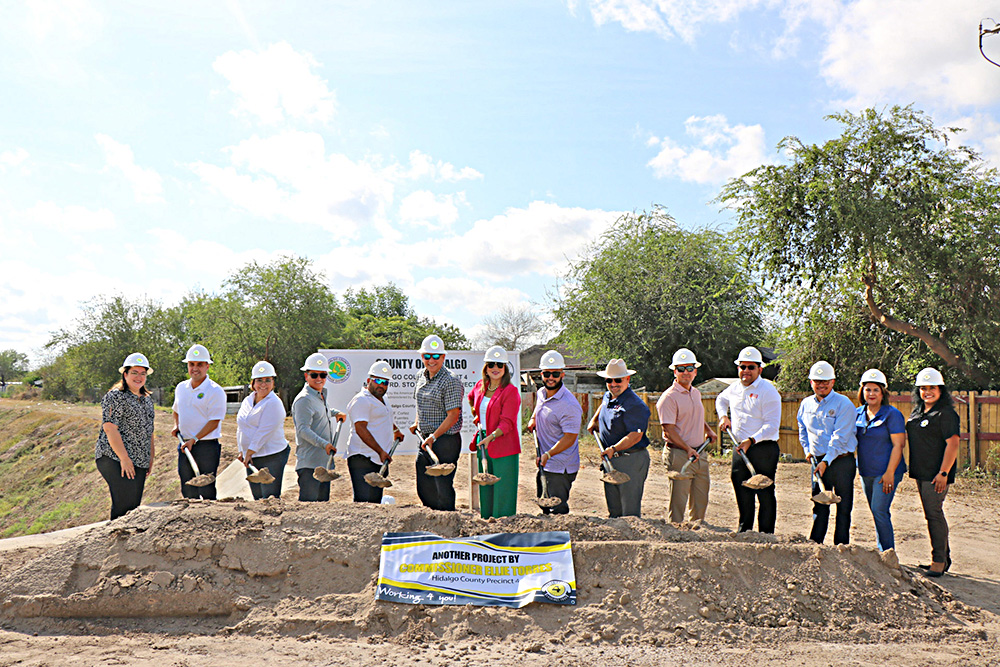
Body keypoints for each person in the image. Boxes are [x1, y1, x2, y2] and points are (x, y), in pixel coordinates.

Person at [717, 346, 782, 533]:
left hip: (763, 448)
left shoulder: (768, 391)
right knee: (741, 487)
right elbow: (720, 400)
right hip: (740, 448)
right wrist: (723, 416)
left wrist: (751, 441)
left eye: (751, 367)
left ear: (759, 369)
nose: (746, 371)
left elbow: (771, 426)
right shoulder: (734, 389)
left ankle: (766, 534)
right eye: (742, 367)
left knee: (764, 491)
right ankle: (744, 530)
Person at [906, 368, 960, 577]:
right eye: (923, 388)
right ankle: (944, 557)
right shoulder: (918, 412)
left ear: (941, 390)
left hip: (937, 475)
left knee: (934, 514)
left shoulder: (946, 414)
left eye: (932, 388)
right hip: (921, 472)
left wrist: (944, 473)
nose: (927, 392)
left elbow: (953, 444)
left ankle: (938, 560)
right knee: (932, 513)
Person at [797, 360, 858, 545]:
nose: (821, 384)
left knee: (843, 507)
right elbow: (802, 428)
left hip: (840, 461)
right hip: (818, 461)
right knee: (819, 505)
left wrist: (827, 461)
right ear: (811, 383)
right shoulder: (806, 404)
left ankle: (841, 547)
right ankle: (816, 545)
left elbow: (840, 437)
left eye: (825, 381)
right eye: (817, 381)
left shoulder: (843, 404)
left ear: (832, 382)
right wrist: (807, 450)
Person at [657, 348, 716, 524]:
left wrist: (708, 430)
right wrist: (687, 449)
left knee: (700, 500)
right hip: (679, 455)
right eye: (681, 369)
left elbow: (695, 416)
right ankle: (676, 538)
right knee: (678, 503)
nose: (686, 373)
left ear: (695, 371)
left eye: (689, 368)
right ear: (675, 371)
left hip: (699, 453)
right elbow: (669, 430)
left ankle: (696, 536)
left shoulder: (695, 393)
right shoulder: (668, 398)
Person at [587, 358, 651, 518]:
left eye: (618, 380)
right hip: (610, 459)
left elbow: (635, 436)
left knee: (629, 511)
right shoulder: (609, 396)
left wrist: (614, 448)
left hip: (631, 459)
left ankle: (632, 541)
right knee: (614, 509)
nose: (613, 384)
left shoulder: (635, 405)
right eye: (609, 380)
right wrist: (594, 420)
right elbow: (604, 404)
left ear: (627, 379)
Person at [95, 353, 156, 520]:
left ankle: (128, 541)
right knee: (123, 504)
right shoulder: (115, 397)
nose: (139, 377)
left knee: (133, 506)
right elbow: (109, 429)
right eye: (134, 372)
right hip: (114, 458)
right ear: (125, 374)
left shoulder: (147, 400)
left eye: (142, 373)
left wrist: (150, 457)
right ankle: (116, 540)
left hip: (139, 460)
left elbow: (149, 430)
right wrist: (124, 458)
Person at [855, 368, 907, 552]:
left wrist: (890, 473)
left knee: (879, 510)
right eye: (867, 389)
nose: (871, 393)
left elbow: (898, 445)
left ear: (883, 392)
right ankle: (882, 550)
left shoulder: (892, 414)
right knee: (876, 512)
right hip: (866, 472)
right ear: (862, 392)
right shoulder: (858, 413)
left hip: (886, 472)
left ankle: (888, 554)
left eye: (875, 390)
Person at [410, 335, 463, 511]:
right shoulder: (420, 376)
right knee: (424, 487)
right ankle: (432, 521)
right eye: (427, 356)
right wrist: (417, 422)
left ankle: (448, 523)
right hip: (426, 440)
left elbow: (453, 415)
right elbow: (420, 404)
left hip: (445, 441)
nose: (431, 360)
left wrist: (434, 436)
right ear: (421, 357)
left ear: (443, 357)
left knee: (442, 487)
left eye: (436, 356)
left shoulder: (451, 380)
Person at [468, 346, 521, 518]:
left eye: (500, 364)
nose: (495, 368)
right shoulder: (480, 387)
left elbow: (507, 423)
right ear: (486, 368)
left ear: (505, 368)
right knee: (486, 488)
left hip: (503, 446)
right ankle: (486, 521)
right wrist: (477, 418)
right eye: (491, 364)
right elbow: (471, 400)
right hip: (484, 442)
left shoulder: (510, 391)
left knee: (503, 491)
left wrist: (490, 437)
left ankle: (503, 525)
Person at [528, 350, 582, 515]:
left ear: (562, 374)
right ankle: (548, 538)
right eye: (547, 373)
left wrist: (548, 454)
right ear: (541, 374)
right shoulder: (541, 393)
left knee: (557, 509)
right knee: (545, 505)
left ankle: (560, 538)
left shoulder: (569, 404)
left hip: (560, 466)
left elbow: (570, 438)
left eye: (555, 374)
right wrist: (533, 419)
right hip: (546, 462)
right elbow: (539, 409)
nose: (550, 377)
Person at [172, 344, 226, 500]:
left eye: (200, 364)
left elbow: (214, 422)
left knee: (206, 489)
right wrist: (176, 425)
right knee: (187, 488)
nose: (195, 368)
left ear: (207, 366)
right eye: (191, 364)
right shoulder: (181, 387)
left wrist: (194, 439)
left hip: (206, 447)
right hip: (185, 446)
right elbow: (176, 410)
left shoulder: (215, 391)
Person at [346, 360, 405, 503]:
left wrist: (395, 430)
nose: (382, 385)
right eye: (378, 380)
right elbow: (361, 429)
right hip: (363, 458)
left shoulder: (382, 398)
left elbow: (385, 417)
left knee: (375, 501)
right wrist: (380, 451)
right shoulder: (361, 400)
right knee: (364, 502)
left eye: (385, 382)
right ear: (368, 380)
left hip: (377, 459)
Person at [291, 352, 346, 502]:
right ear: (306, 376)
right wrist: (324, 444)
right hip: (310, 466)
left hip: (323, 464)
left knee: (321, 509)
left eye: (323, 375)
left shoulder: (319, 396)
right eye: (314, 375)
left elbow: (321, 412)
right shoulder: (304, 400)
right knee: (308, 510)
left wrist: (335, 413)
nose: (319, 379)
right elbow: (303, 430)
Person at [236, 361, 289, 499]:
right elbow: (241, 425)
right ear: (253, 382)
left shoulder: (274, 403)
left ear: (273, 383)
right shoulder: (248, 400)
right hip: (252, 456)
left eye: (267, 380)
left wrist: (249, 453)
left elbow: (264, 433)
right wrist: (242, 450)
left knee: (269, 498)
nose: (263, 384)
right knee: (257, 497)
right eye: (259, 380)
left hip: (272, 456)